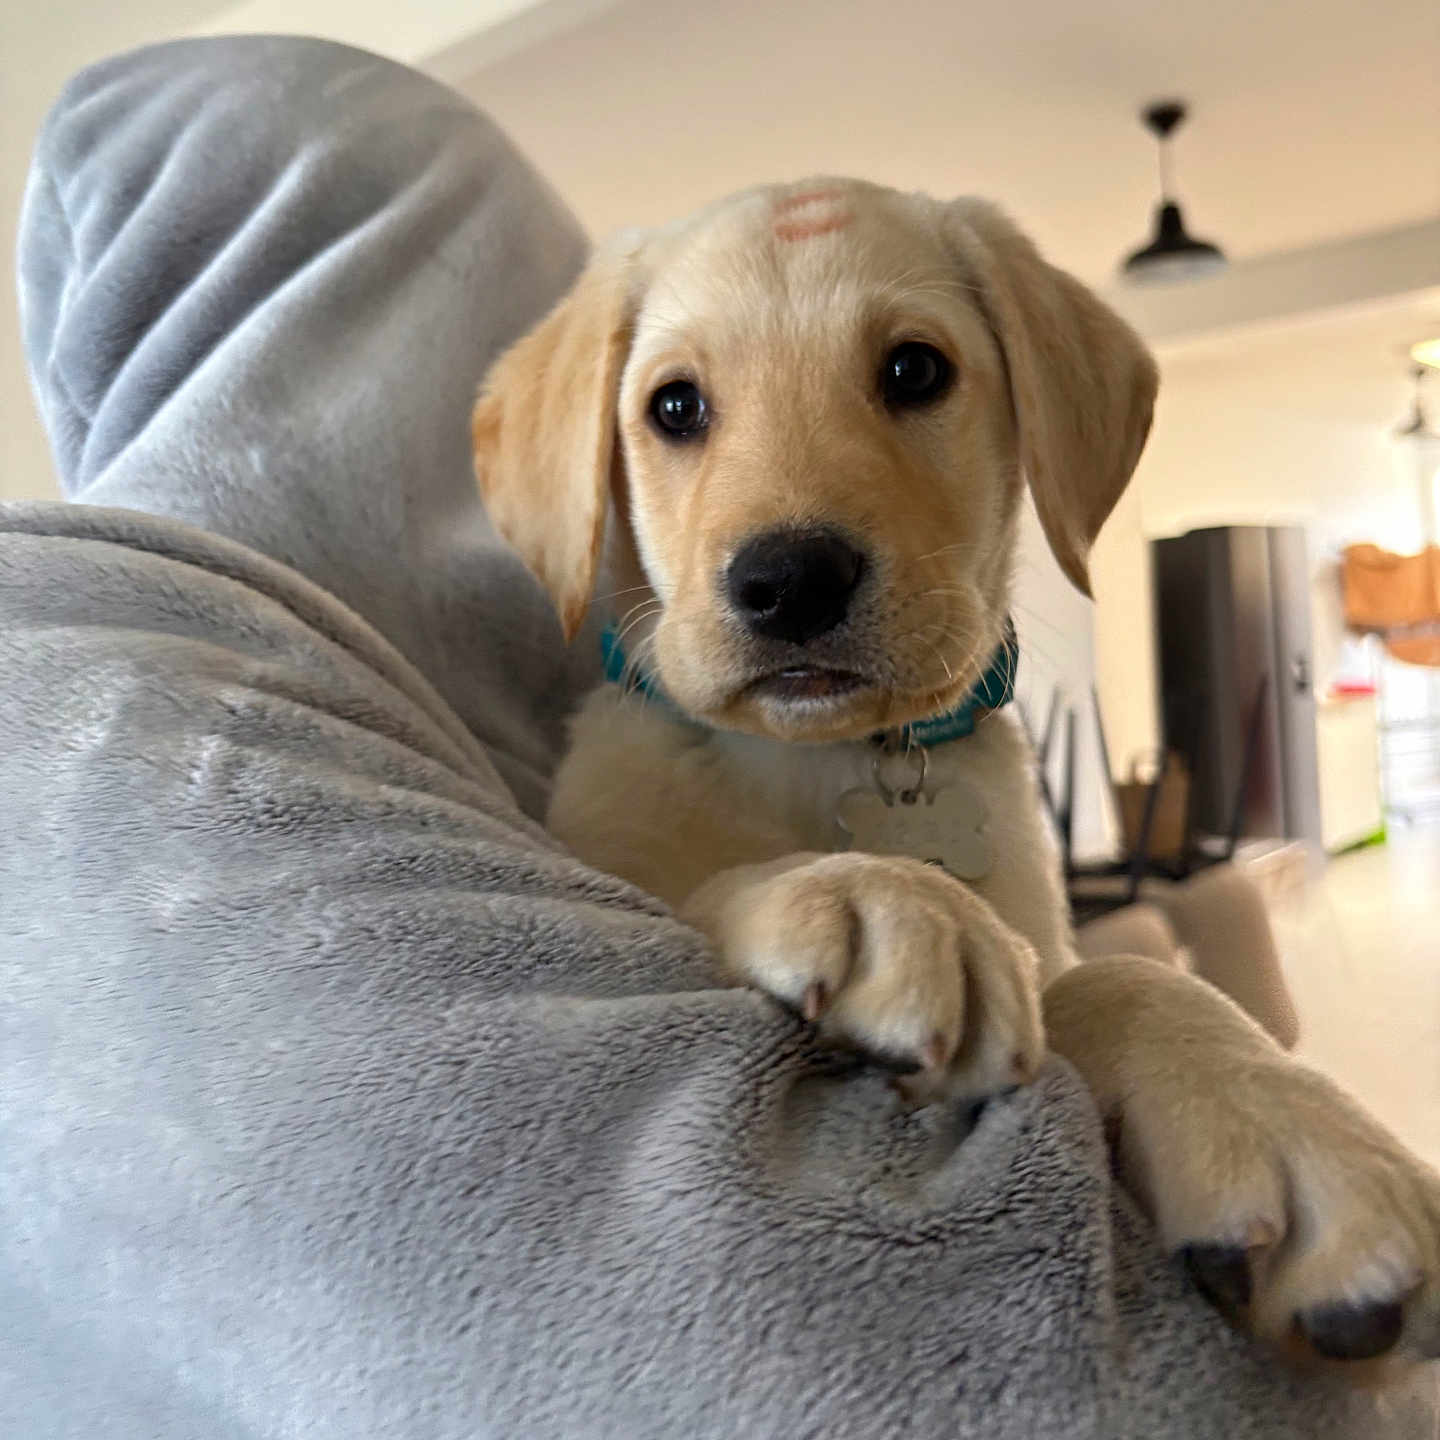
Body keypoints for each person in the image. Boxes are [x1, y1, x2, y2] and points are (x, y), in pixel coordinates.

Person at [2, 35, 1429, 1438]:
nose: (783, 534)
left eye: (912, 376)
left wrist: (1155, 1018)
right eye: (679, 409)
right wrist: (754, 905)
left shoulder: (978, 775)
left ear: (1046, 429)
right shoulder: (607, 781)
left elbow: (1040, 1050)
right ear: (587, 478)